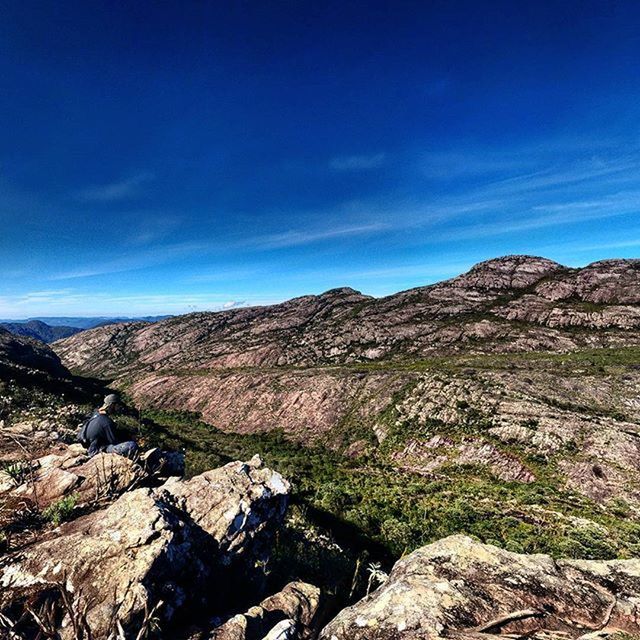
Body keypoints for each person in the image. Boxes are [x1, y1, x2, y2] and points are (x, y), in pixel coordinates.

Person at [84, 393, 138, 459]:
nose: (118, 408)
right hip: (97, 450)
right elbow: (114, 442)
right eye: (117, 405)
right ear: (112, 405)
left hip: (90, 445)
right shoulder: (106, 422)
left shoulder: (95, 415)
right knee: (132, 445)